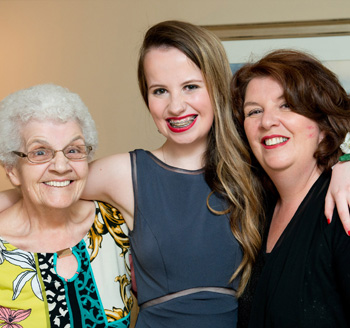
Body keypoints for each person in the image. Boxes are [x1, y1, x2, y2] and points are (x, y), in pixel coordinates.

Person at [231, 49, 350, 327]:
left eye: (286, 105)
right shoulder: (253, 217)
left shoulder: (343, 204)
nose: (267, 121)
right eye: (254, 111)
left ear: (322, 123)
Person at [0, 84, 132, 328]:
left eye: (73, 150)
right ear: (11, 169)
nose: (61, 166)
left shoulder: (117, 226)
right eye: (40, 152)